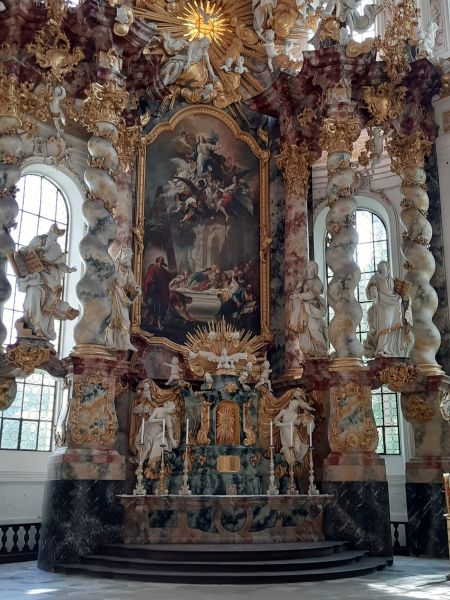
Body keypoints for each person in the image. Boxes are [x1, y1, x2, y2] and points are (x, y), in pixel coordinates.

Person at [17, 223, 78, 340]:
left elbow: (60, 263)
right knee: (34, 293)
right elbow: (25, 251)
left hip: (52, 277)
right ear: (50, 232)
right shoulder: (39, 240)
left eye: (57, 236)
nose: (55, 238)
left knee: (51, 300)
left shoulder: (57, 247)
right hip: (37, 276)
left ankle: (44, 328)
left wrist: (68, 269)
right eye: (55, 234)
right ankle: (35, 326)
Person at [364, 261, 413, 357]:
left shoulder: (391, 279)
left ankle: (390, 349)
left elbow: (396, 292)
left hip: (394, 304)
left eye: (384, 266)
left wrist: (405, 297)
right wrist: (374, 294)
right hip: (383, 304)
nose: (382, 267)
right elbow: (372, 286)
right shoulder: (376, 277)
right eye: (380, 266)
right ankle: (381, 349)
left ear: (387, 268)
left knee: (393, 328)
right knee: (385, 325)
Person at [288, 261, 328, 358]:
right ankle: (309, 354)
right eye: (309, 269)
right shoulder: (304, 280)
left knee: (314, 328)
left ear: (315, 271)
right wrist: (300, 284)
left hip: (312, 309)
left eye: (313, 270)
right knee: (304, 332)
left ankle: (321, 351)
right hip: (303, 311)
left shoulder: (317, 282)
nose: (311, 271)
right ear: (307, 270)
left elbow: (311, 294)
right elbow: (295, 292)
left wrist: (299, 296)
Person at [105, 247, 141, 352]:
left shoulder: (128, 269)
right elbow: (105, 279)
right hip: (112, 294)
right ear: (122, 256)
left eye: (130, 257)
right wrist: (112, 277)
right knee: (112, 318)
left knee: (126, 320)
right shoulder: (114, 266)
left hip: (122, 296)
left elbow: (131, 282)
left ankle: (126, 342)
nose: (129, 259)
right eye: (128, 257)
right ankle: (110, 340)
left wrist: (136, 288)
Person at [274, 392, 314, 465]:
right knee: (288, 448)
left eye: (295, 406)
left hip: (292, 431)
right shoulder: (283, 411)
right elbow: (275, 419)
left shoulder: (294, 414)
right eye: (293, 404)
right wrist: (277, 422)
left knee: (297, 449)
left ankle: (297, 460)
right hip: (285, 431)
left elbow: (292, 423)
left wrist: (281, 424)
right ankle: (291, 462)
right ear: (290, 403)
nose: (293, 406)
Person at [143, 256, 171, 330]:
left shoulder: (164, 270)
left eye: (162, 261)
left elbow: (168, 277)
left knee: (160, 306)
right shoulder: (152, 268)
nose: (161, 262)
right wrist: (151, 279)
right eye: (160, 260)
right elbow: (148, 278)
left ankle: (159, 322)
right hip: (153, 290)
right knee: (150, 304)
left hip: (161, 291)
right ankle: (152, 319)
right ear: (158, 261)